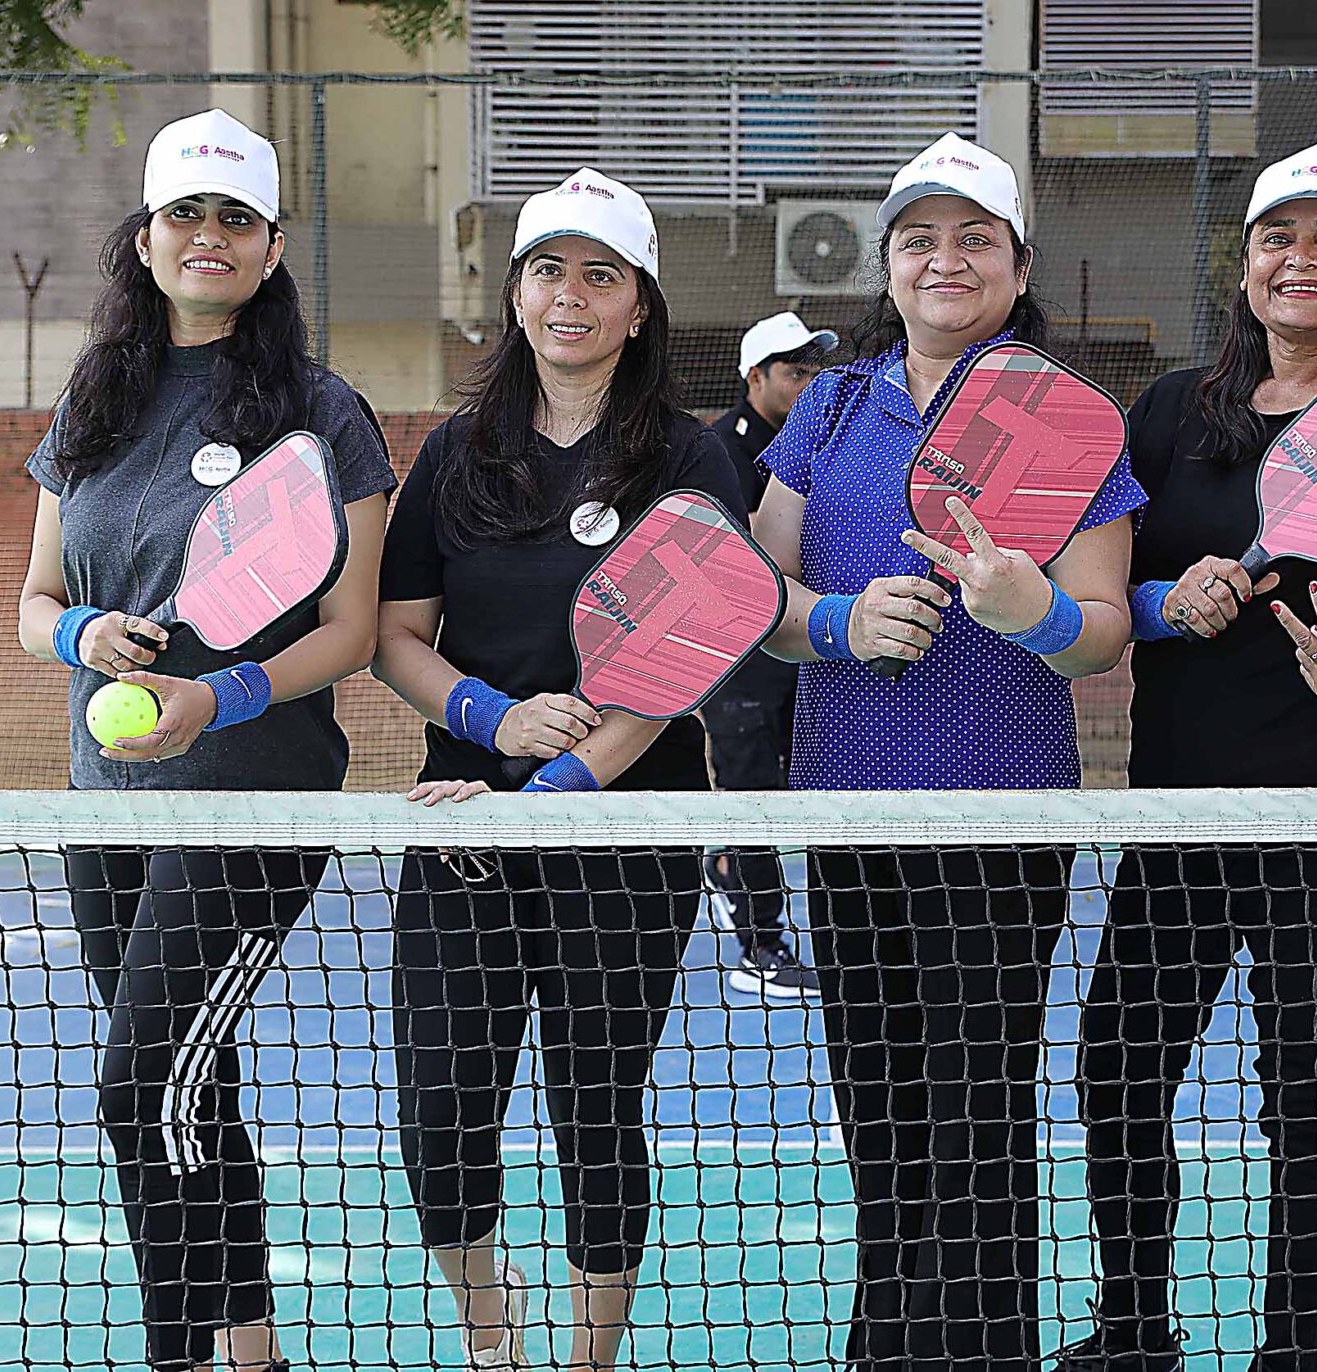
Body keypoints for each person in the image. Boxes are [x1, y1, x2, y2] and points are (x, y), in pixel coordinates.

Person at [1059, 141, 1317, 1372]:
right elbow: (1108, 589)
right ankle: (1135, 1328)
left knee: (1307, 1094)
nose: (1300, 258)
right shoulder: (1166, 412)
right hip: (1177, 808)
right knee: (1115, 1069)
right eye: (1276, 237)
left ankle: (1289, 1352)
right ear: (1241, 263)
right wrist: (1158, 602)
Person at [749, 131, 1144, 1372]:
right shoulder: (830, 403)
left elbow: (1102, 636)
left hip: (1000, 815)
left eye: (974, 237)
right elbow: (753, 596)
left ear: (1016, 265)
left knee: (977, 1118)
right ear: (888, 264)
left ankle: (985, 1354)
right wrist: (832, 620)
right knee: (876, 1113)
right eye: (919, 237)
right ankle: (885, 1350)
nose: (945, 258)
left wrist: (1032, 613)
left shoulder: (1069, 418)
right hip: (844, 811)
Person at [15, 109, 394, 1372]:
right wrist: (88, 643)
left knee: (138, 1085)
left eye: (236, 217)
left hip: (252, 798)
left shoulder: (322, 412)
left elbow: (348, 630)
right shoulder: (94, 398)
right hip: (103, 798)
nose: (209, 236)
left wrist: (217, 696)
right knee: (186, 1086)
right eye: (187, 212)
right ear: (147, 234)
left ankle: (184, 1353)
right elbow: (33, 608)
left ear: (274, 246)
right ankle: (245, 1352)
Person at [372, 167, 744, 1372]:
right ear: (514, 293)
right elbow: (393, 637)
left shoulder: (688, 457)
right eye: (548, 269)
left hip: (622, 833)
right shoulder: (452, 456)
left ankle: (588, 1358)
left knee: (595, 1107)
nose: (569, 295)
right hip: (461, 817)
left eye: (600, 274)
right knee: (441, 1114)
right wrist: (488, 718)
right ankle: (493, 1335)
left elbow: (689, 659)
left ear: (639, 306)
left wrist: (561, 786)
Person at [700, 310, 835, 1000]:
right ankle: (759, 944)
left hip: (807, 654)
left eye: (816, 369)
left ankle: (729, 872)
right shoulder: (716, 449)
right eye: (794, 371)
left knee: (797, 794)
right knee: (751, 794)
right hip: (740, 661)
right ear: (756, 377)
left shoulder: (825, 442)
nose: (809, 383)